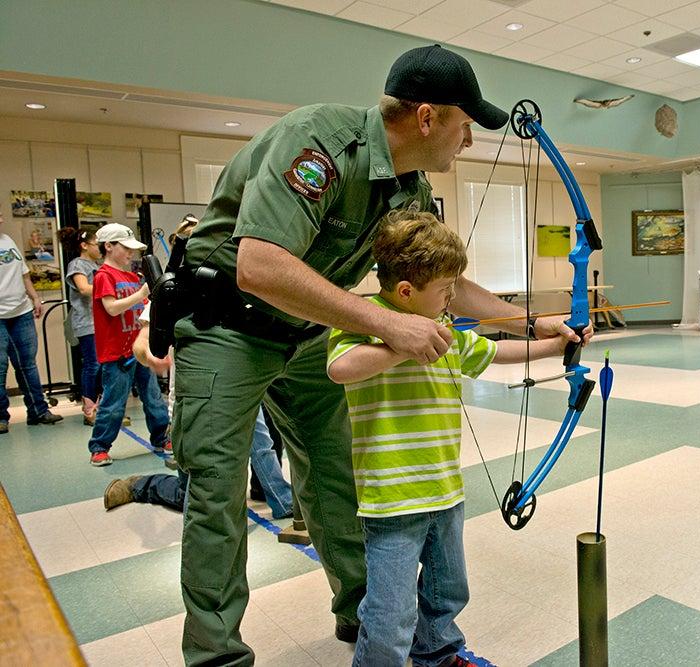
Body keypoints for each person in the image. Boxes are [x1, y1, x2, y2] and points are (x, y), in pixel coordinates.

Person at [174, 44, 589, 665]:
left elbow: (441, 280)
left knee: (337, 479)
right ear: (427, 118)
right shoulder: (316, 144)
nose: (469, 140)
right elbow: (261, 265)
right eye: (464, 123)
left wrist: (531, 320)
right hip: (225, 326)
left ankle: (368, 621)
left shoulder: (411, 186)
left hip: (308, 329)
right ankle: (216, 658)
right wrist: (387, 327)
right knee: (217, 490)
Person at [327, 211, 566, 666]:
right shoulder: (370, 321)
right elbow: (340, 368)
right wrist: (400, 343)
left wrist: (555, 344)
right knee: (391, 610)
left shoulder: (445, 329)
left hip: (445, 489)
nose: (452, 298)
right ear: (405, 292)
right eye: (445, 289)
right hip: (392, 497)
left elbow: (495, 352)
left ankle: (437, 652)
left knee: (448, 588)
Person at [104, 217, 292, 519]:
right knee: (192, 495)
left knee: (261, 444)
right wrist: (152, 356)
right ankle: (142, 485)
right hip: (191, 403)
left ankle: (284, 503)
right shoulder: (173, 291)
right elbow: (141, 342)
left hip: (236, 386)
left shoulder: (234, 284)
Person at [86, 223, 169, 466]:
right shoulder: (103, 276)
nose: (131, 254)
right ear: (108, 247)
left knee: (153, 398)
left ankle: (161, 437)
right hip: (116, 354)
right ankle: (99, 446)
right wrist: (142, 292)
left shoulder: (133, 276)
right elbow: (111, 309)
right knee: (113, 404)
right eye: (125, 248)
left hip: (139, 349)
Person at [0, 211, 63, 432]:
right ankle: (1, 417)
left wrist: (35, 298)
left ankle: (38, 411)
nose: (0, 219)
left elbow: (24, 274)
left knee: (27, 364)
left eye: (0, 214)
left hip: (21, 312)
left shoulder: (7, 241)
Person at [59, 228, 102, 424]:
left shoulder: (98, 265)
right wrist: (109, 288)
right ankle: (89, 408)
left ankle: (101, 405)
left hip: (101, 323)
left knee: (103, 365)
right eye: (96, 244)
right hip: (87, 322)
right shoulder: (77, 264)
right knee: (92, 365)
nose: (100, 248)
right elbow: (84, 289)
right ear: (84, 246)